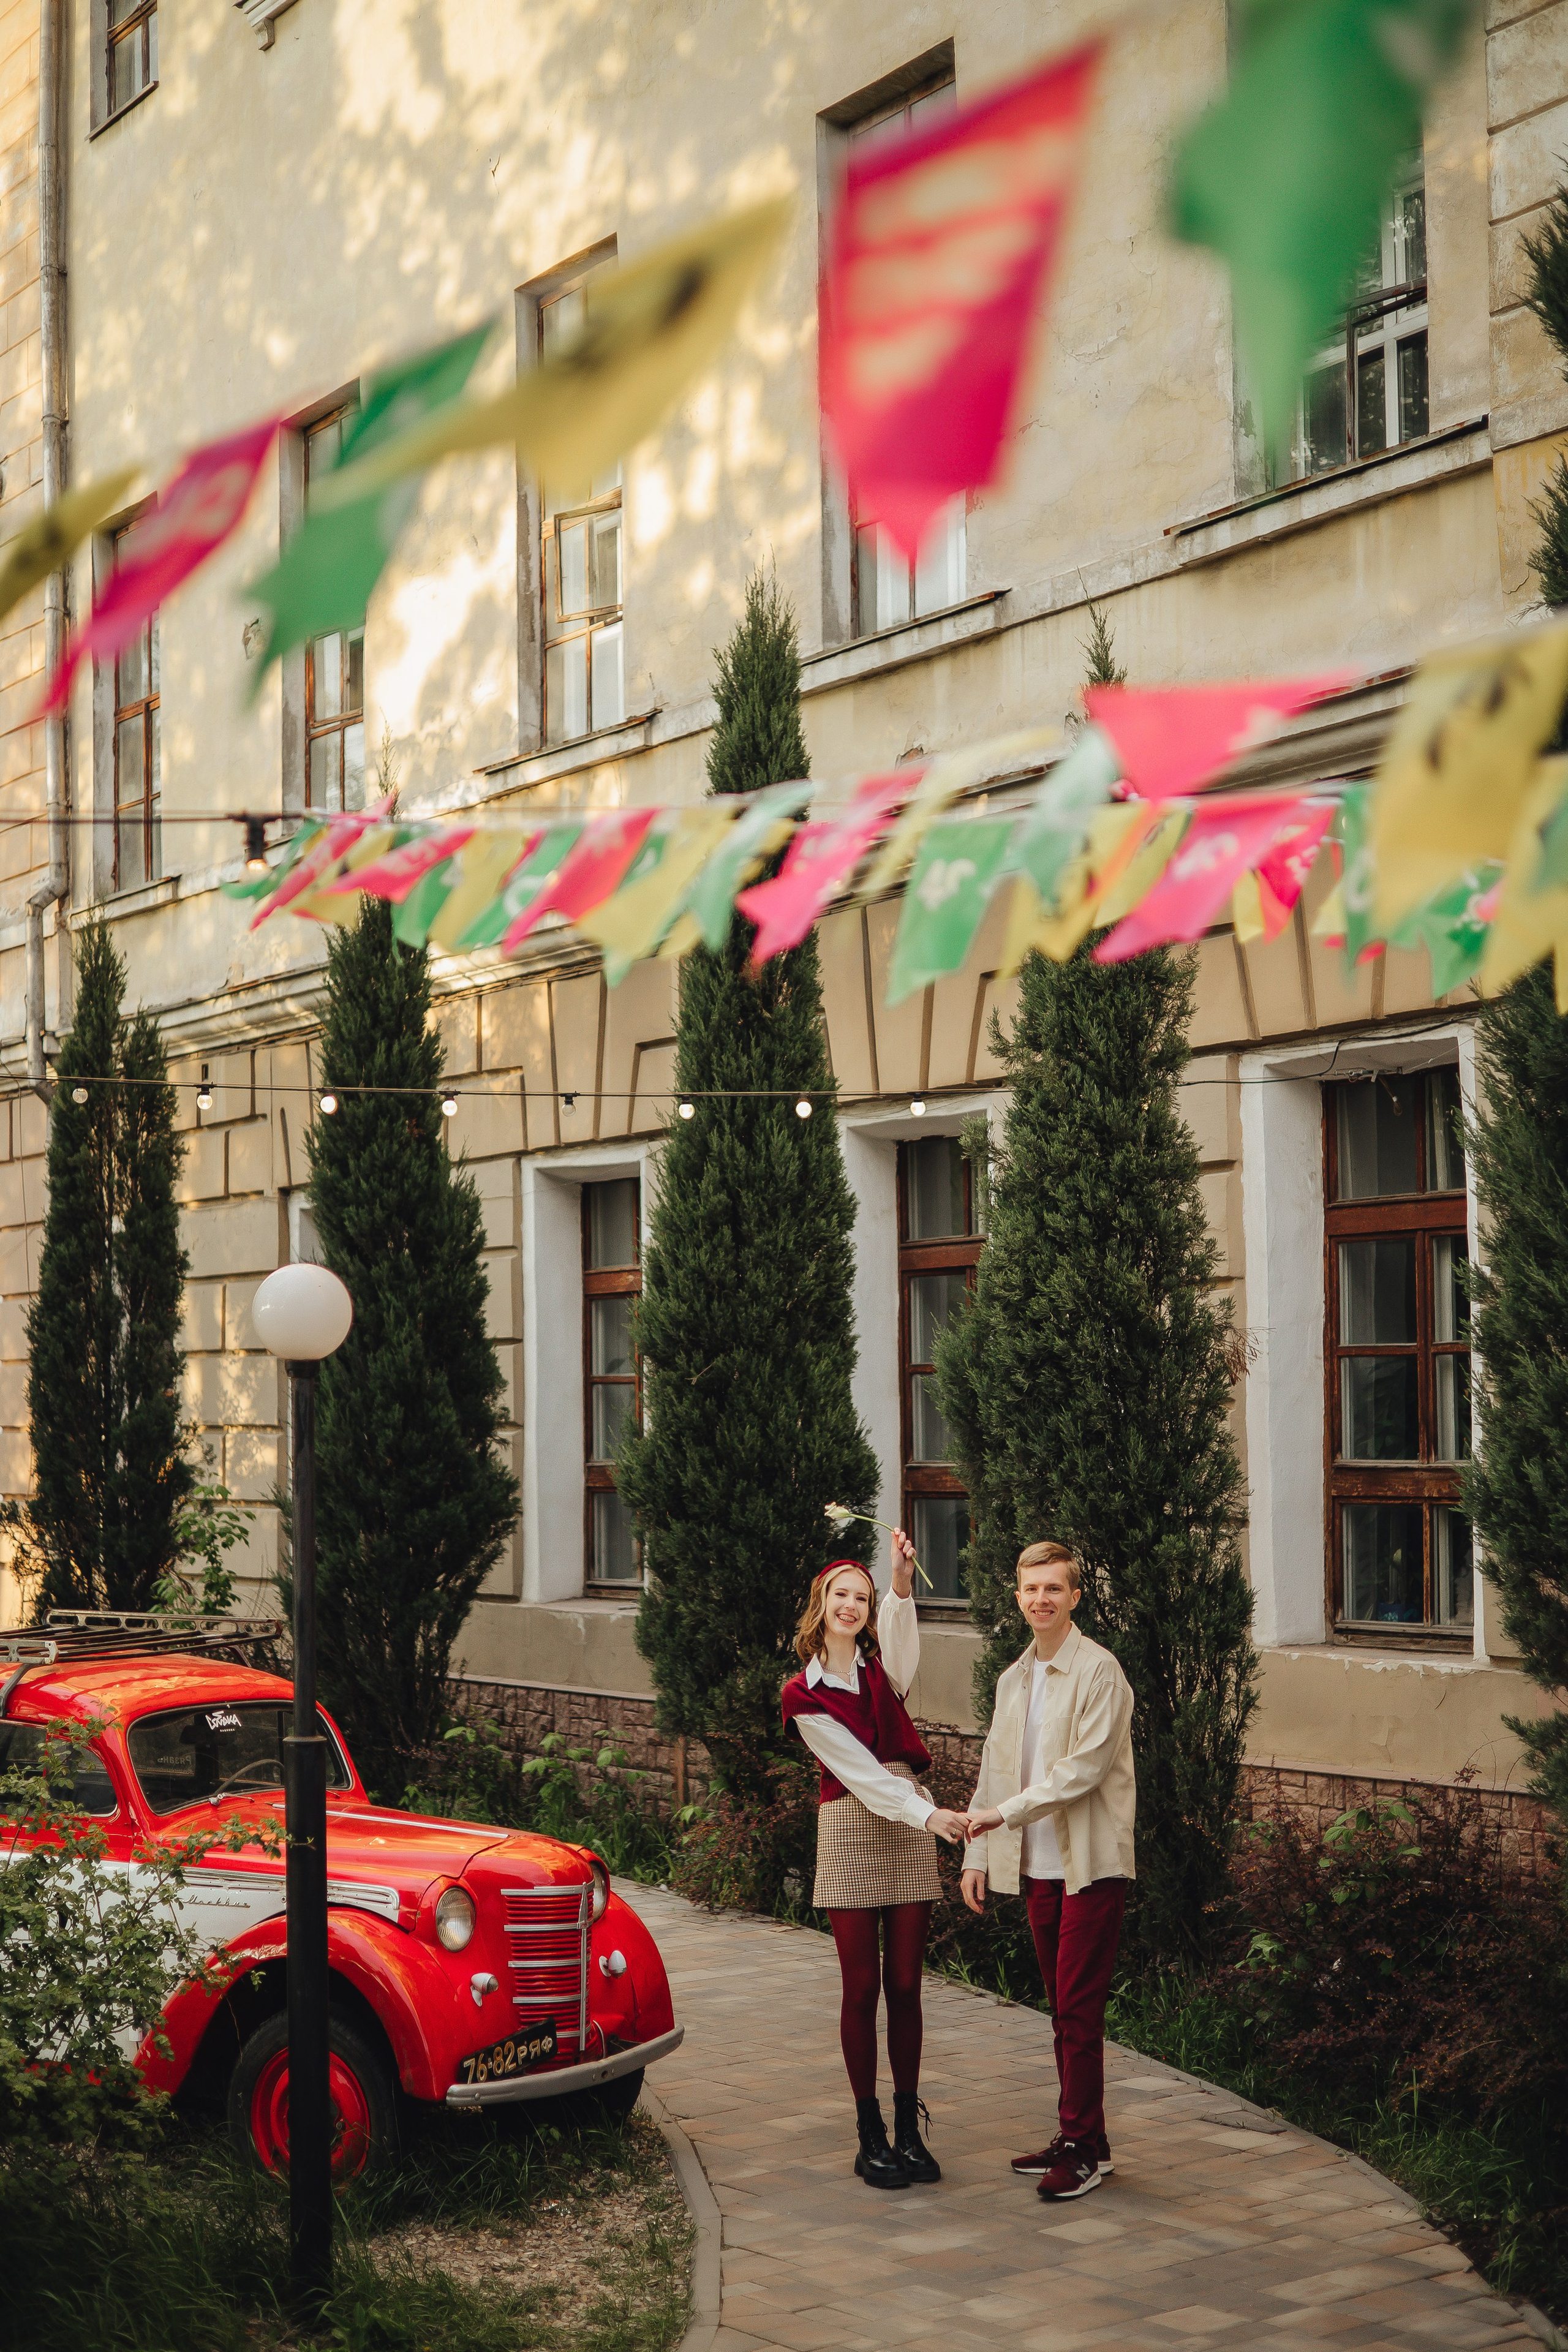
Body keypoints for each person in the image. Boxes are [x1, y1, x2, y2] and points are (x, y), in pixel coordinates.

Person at [781, 1532, 970, 2191]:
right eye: (842, 1594)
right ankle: (870, 2135)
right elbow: (860, 1774)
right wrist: (929, 1813)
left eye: (861, 1597)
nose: (852, 1605)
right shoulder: (801, 1694)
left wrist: (899, 1580)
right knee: (861, 1990)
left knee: (908, 1988)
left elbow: (902, 1638)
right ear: (821, 1602)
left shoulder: (882, 1673)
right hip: (854, 1823)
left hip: (908, 1821)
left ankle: (908, 2128)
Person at [962, 1539, 1136, 2203]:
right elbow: (994, 1769)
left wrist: (1001, 1815)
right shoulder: (1015, 1678)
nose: (1041, 1600)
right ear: (1017, 1597)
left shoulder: (1100, 1672)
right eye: (1030, 1589)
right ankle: (1082, 2140)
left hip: (1088, 1867)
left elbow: (1081, 1773)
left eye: (1053, 1589)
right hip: (1035, 1868)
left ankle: (1083, 2147)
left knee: (1078, 2012)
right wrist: (979, 1850)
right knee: (1061, 2010)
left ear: (1075, 1598)